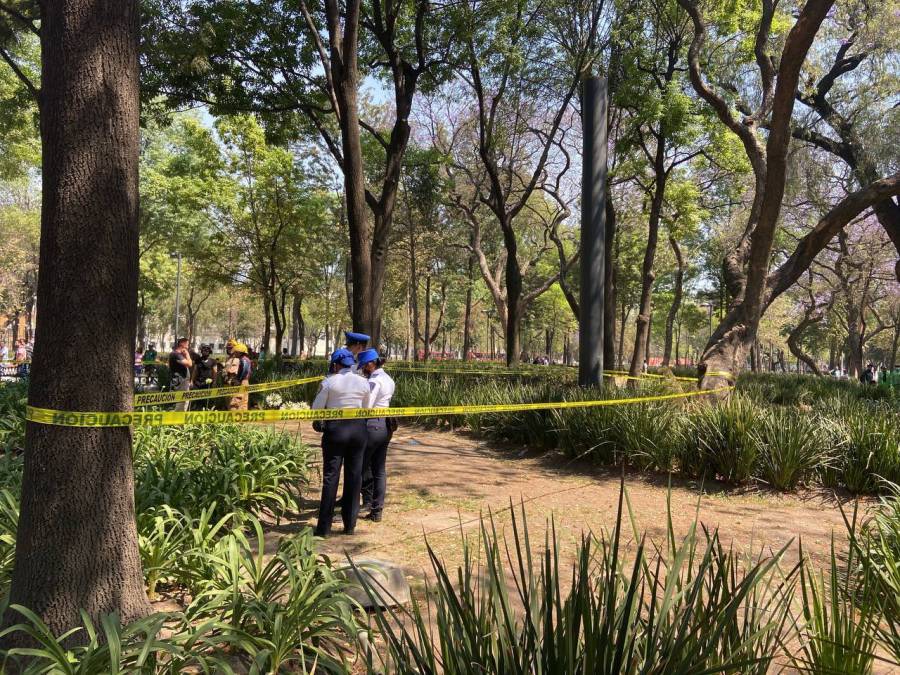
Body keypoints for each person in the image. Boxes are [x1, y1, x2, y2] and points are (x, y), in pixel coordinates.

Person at [311, 348, 371, 537]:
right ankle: (350, 525)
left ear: (336, 364)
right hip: (358, 431)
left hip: (335, 431)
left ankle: (324, 528)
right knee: (354, 477)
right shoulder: (364, 382)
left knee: (331, 477)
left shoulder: (329, 382)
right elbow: (367, 407)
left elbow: (316, 409)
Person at [359, 349, 396, 523]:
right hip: (386, 425)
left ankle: (350, 511)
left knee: (358, 468)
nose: (363, 370)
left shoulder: (374, 381)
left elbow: (367, 405)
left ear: (370, 364)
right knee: (379, 470)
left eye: (364, 366)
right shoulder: (388, 378)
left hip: (373, 425)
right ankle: (376, 511)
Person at [224, 340, 252, 410]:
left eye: (236, 351)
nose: (234, 352)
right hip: (243, 381)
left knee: (235, 401)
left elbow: (244, 370)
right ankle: (241, 419)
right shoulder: (244, 359)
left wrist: (238, 380)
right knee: (243, 402)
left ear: (240, 352)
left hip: (241, 382)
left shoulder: (243, 360)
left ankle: (234, 418)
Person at [169, 338, 193, 412]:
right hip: (180, 383)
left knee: (184, 402)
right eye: (187, 345)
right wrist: (187, 354)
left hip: (184, 382)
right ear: (182, 344)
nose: (188, 347)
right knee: (181, 403)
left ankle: (180, 420)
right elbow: (190, 364)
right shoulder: (175, 354)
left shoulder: (178, 355)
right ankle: (177, 422)